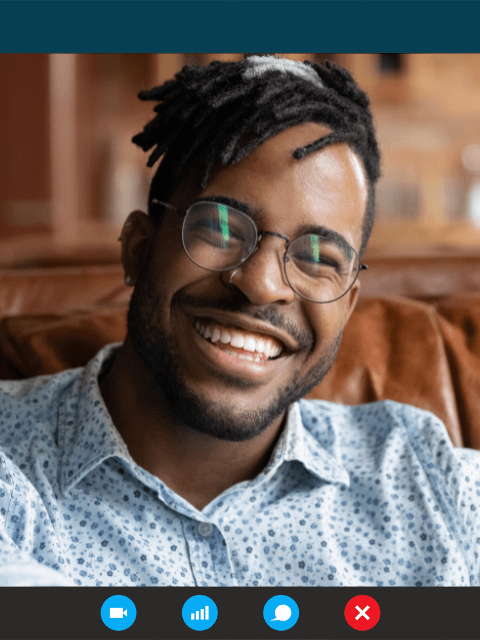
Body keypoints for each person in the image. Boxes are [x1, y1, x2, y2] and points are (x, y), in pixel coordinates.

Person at [1, 55, 479, 587]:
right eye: (220, 227)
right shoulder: (11, 463)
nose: (262, 284)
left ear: (347, 302)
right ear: (139, 249)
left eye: (318, 257)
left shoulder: (431, 475)